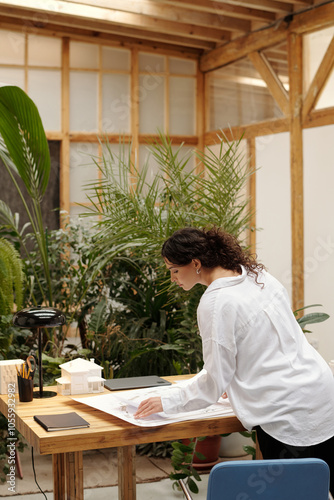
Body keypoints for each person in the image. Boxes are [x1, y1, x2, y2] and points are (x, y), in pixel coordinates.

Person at [134, 226, 334, 495]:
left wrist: (168, 400)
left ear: (195, 264)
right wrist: (239, 378)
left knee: (291, 493)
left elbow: (214, 381)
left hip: (287, 413)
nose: (172, 279)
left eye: (173, 270)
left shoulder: (216, 302)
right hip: (322, 393)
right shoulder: (256, 275)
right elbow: (275, 339)